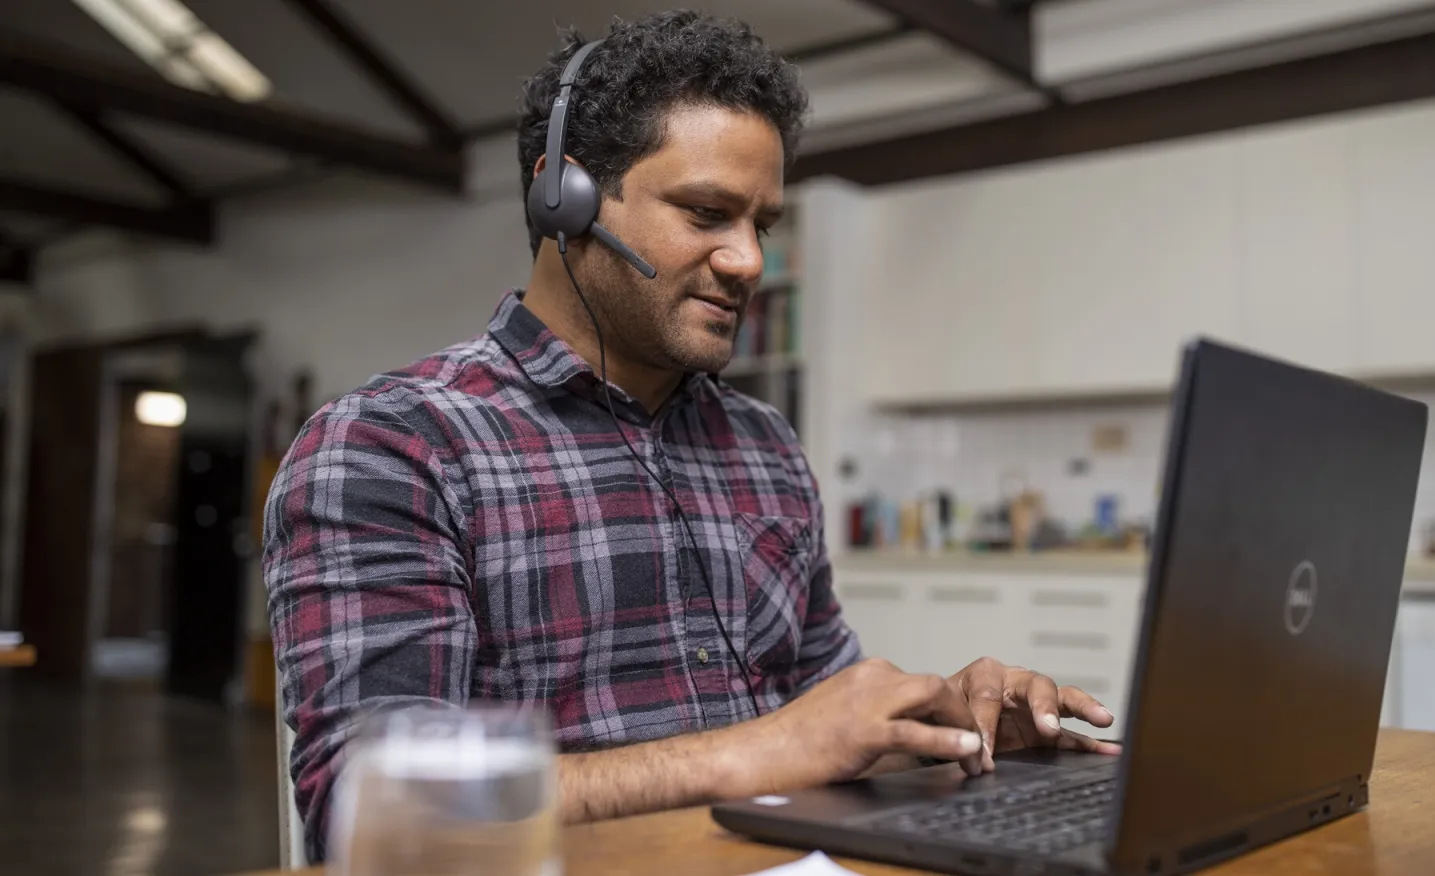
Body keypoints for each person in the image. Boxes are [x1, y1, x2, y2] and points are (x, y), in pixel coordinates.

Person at [263, 10, 1118, 862]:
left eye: (762, 225)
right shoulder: (391, 447)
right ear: (565, 197)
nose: (748, 260)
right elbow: (365, 806)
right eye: (708, 212)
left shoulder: (764, 445)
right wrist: (754, 752)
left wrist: (942, 724)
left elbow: (826, 722)